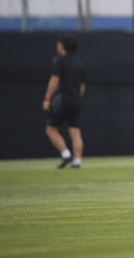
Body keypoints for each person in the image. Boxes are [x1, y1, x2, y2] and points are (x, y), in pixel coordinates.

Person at [42, 35, 86, 169]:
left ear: (62, 46)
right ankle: (77, 161)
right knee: (76, 132)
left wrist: (47, 98)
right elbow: (82, 86)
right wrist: (78, 99)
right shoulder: (80, 63)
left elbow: (55, 80)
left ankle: (66, 154)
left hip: (62, 100)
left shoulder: (59, 61)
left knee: (51, 129)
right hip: (76, 100)